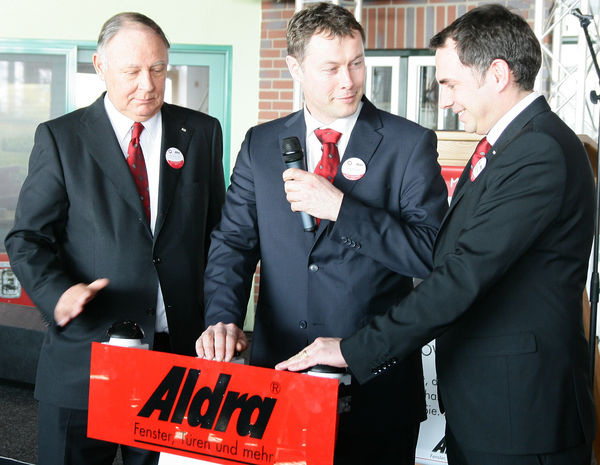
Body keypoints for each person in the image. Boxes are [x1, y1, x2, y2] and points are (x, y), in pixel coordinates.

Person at [277, 4, 597, 465]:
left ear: (498, 74)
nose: (444, 100)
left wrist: (353, 348)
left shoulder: (538, 152)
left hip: (524, 416)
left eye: (450, 83)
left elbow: (461, 276)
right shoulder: (507, 144)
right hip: (491, 408)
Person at [195, 2, 448, 464]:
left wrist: (341, 209)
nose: (348, 80)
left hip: (376, 379)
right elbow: (233, 243)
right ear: (294, 67)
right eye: (330, 68)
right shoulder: (260, 143)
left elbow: (431, 252)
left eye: (356, 63)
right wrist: (222, 318)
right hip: (279, 372)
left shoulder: (409, 144)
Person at [5, 12, 225, 465]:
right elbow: (28, 237)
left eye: (159, 69)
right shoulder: (62, 138)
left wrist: (221, 318)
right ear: (99, 66)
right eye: (132, 71)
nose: (148, 84)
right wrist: (57, 294)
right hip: (85, 356)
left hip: (175, 360)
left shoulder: (201, 133)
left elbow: (217, 237)